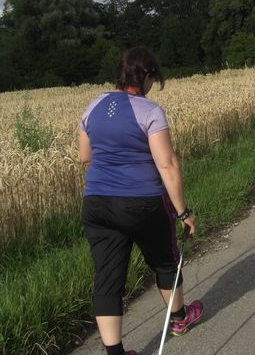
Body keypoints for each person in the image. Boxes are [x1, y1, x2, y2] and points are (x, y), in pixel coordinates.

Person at [78, 46, 203, 355]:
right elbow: (167, 165)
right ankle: (179, 318)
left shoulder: (93, 106)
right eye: (153, 79)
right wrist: (183, 212)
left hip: (96, 203)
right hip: (142, 202)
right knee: (164, 260)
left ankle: (116, 353)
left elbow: (84, 156)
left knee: (108, 278)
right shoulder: (149, 111)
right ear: (146, 76)